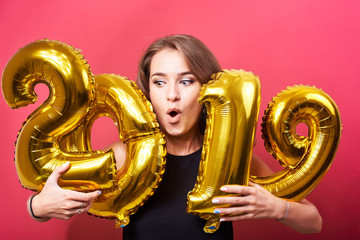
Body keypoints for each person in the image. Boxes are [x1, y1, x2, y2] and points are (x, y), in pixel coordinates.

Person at [27, 34, 322, 239]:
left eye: (186, 80)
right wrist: (38, 206)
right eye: (159, 82)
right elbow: (46, 203)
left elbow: (314, 222)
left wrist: (276, 208)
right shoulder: (124, 155)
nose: (172, 95)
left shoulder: (234, 158)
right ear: (148, 90)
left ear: (207, 88)